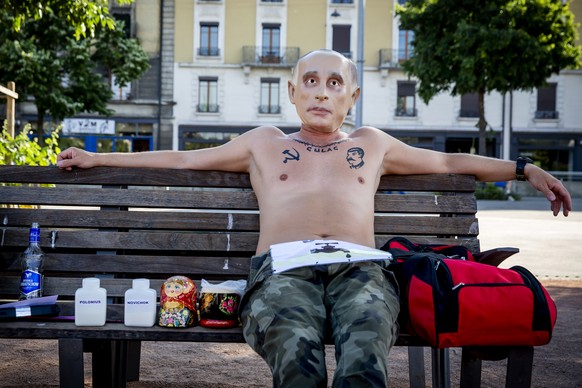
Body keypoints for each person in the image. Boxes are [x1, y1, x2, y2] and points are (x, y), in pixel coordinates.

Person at [57, 49, 571, 387]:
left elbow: (449, 161)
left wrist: (524, 168)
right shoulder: (263, 144)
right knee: (295, 351)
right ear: (293, 93)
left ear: (351, 96)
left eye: (333, 83)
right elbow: (184, 158)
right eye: (310, 82)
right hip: (282, 272)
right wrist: (98, 158)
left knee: (366, 347)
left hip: (361, 272)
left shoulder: (372, 145)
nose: (321, 91)